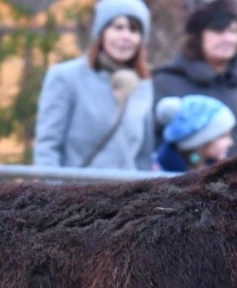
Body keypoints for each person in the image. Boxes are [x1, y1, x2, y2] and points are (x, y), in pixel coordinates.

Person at [34, 0, 156, 169]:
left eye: (134, 29)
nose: (126, 36)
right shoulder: (66, 77)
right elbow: (48, 147)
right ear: (102, 32)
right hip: (76, 192)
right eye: (118, 27)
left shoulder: (143, 85)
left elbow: (144, 156)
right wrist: (53, 193)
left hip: (127, 193)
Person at [152, 1, 237, 157]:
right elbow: (155, 142)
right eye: (218, 31)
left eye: (233, 31)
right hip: (187, 178)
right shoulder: (167, 80)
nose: (228, 38)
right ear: (199, 36)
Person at [154, 94, 237, 171]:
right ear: (201, 140)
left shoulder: (207, 164)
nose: (231, 142)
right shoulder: (173, 173)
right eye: (223, 136)